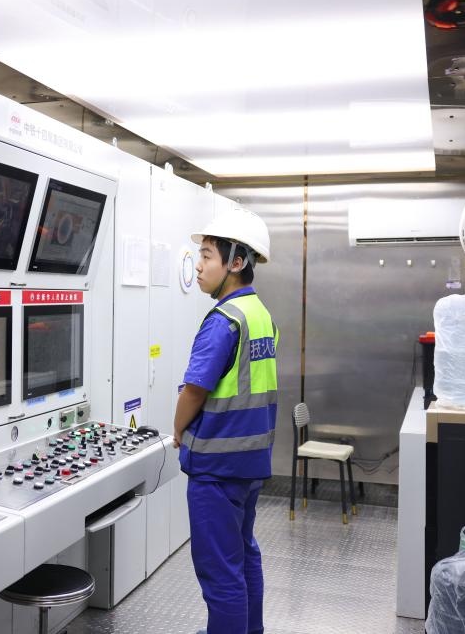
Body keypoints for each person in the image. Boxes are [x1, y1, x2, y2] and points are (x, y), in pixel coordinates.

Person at [174, 207, 278, 634]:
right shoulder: (260, 314)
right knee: (243, 554)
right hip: (250, 462)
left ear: (236, 262)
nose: (198, 266)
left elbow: (195, 390)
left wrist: (177, 428)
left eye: (206, 256)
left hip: (216, 465)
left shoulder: (223, 320)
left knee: (220, 573)